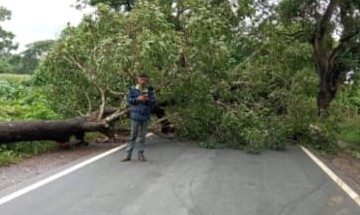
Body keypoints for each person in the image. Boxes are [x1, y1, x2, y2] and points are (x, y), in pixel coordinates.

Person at [122, 73, 156, 162]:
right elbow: (128, 101)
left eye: (145, 79)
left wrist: (148, 100)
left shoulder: (150, 90)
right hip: (135, 115)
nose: (143, 81)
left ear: (147, 80)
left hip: (145, 115)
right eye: (142, 79)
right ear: (138, 79)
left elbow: (153, 102)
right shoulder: (132, 89)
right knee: (132, 136)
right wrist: (138, 99)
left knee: (143, 137)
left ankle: (141, 154)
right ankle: (128, 155)